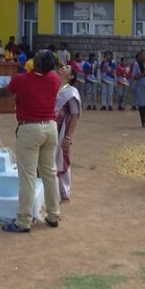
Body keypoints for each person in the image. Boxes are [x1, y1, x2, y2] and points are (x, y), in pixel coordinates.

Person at [0, 50, 62, 233]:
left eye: (36, 58)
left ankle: (23, 221)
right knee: (49, 173)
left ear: (38, 65)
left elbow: (6, 92)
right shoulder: (54, 79)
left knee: (28, 177)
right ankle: (53, 215)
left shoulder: (21, 80)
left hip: (30, 129)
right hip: (50, 128)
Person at [55, 64, 82, 203]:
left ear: (71, 76)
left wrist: (68, 136)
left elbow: (75, 115)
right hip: (48, 129)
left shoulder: (71, 92)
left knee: (61, 159)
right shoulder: (52, 87)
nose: (62, 67)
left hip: (61, 131)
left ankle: (62, 192)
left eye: (66, 67)